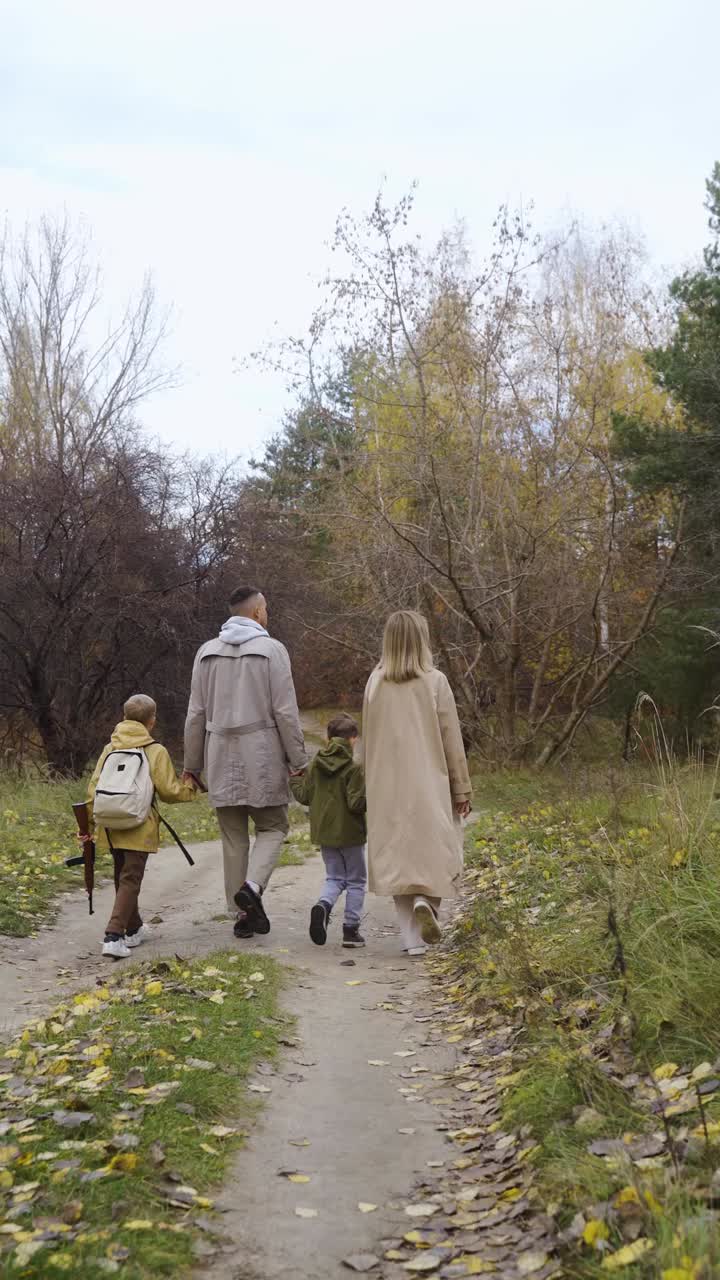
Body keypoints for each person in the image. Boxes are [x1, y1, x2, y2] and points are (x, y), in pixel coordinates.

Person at [183, 586, 307, 939]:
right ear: (256, 613)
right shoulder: (272, 650)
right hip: (263, 754)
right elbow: (285, 711)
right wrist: (298, 759)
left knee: (233, 836)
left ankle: (241, 915)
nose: (267, 615)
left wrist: (192, 764)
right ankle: (251, 889)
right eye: (265, 609)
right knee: (273, 827)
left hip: (219, 753)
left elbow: (196, 714)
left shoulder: (206, 652)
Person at [361, 610, 472, 956]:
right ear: (421, 641)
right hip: (430, 783)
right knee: (437, 851)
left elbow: (365, 741)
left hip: (385, 786)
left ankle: (411, 941)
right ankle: (429, 904)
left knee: (397, 858)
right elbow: (451, 737)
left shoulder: (374, 682)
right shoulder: (435, 681)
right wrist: (462, 788)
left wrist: (366, 780)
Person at [85, 694, 198, 958]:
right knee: (131, 879)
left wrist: (90, 822)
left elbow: (93, 789)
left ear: (123, 717)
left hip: (110, 823)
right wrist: (191, 788)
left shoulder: (109, 748)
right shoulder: (154, 750)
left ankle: (133, 929)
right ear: (152, 721)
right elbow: (170, 792)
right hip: (138, 823)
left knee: (122, 876)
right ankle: (113, 936)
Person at [290, 714, 367, 949]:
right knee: (355, 881)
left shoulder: (314, 765)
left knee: (334, 877)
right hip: (351, 835)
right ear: (353, 739)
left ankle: (323, 905)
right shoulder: (354, 768)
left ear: (328, 738)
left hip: (325, 834)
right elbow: (356, 804)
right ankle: (350, 931)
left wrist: (293, 781)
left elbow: (304, 796)